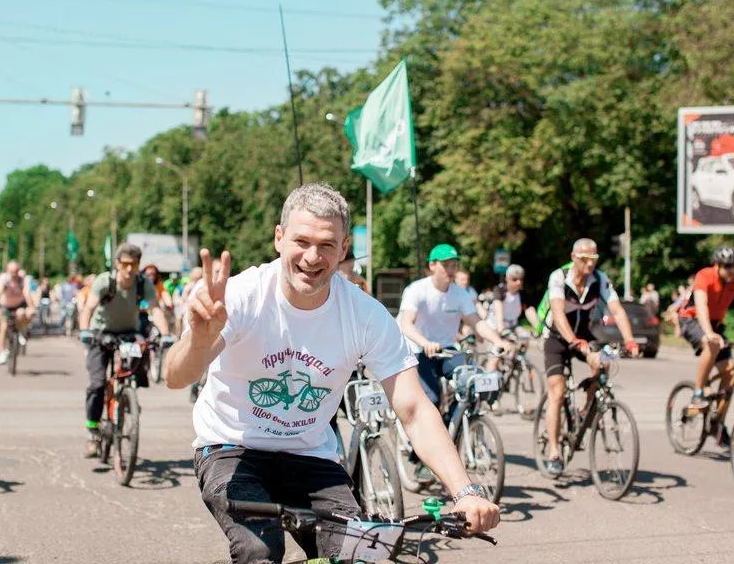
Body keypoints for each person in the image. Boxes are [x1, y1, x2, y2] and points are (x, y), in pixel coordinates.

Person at [164, 184, 499, 564]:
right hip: (232, 448)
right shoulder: (241, 295)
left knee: (358, 553)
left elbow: (414, 409)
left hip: (311, 455)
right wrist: (199, 343)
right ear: (279, 238)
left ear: (342, 250)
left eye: (326, 245)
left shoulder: (365, 314)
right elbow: (176, 377)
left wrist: (465, 491)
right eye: (301, 240)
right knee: (260, 549)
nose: (312, 256)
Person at [541, 238, 640, 476]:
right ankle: (554, 451)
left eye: (594, 259)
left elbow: (617, 310)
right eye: (585, 259)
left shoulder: (601, 279)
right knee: (557, 390)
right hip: (557, 336)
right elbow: (558, 312)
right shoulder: (559, 277)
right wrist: (574, 342)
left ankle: (586, 409)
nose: (590, 264)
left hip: (585, 334)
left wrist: (630, 340)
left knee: (603, 363)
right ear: (574, 257)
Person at [78, 243, 173, 457]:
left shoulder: (143, 283)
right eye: (125, 264)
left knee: (137, 365)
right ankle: (93, 430)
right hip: (100, 334)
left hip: (128, 334)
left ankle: (127, 397)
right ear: (118, 264)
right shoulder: (105, 281)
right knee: (97, 383)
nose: (130, 269)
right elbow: (89, 308)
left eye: (134, 264)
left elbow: (155, 309)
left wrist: (166, 333)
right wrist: (84, 330)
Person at [397, 243, 516, 411]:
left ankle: (456, 425)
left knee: (470, 383)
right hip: (419, 350)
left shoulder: (460, 293)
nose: (451, 270)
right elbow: (406, 324)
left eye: (454, 265)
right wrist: (425, 343)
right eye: (445, 265)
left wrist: (499, 341)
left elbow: (476, 322)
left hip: (447, 350)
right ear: (432, 265)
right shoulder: (417, 290)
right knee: (431, 399)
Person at [677, 246, 734, 418]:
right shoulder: (705, 275)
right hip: (691, 318)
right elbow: (701, 306)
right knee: (713, 344)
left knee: (731, 373)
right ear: (717, 265)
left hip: (715, 324)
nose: (732, 270)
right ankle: (698, 393)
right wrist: (709, 333)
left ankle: (718, 424)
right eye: (727, 266)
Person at [483, 264, 541, 372]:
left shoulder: (521, 294)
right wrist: (501, 329)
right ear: (507, 279)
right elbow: (498, 309)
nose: (518, 283)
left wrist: (538, 326)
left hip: (512, 325)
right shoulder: (500, 290)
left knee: (524, 337)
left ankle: (513, 363)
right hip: (496, 326)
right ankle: (488, 382)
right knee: (495, 356)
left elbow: (529, 310)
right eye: (514, 279)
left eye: (520, 279)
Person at [0, 261, 36, 365]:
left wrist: (31, 307)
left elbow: (27, 293)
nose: (14, 274)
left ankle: (20, 332)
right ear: (7, 271)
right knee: (4, 326)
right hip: (5, 306)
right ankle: (2, 352)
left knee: (23, 314)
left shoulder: (23, 280)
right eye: (11, 271)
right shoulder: (3, 279)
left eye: (16, 271)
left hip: (18, 305)